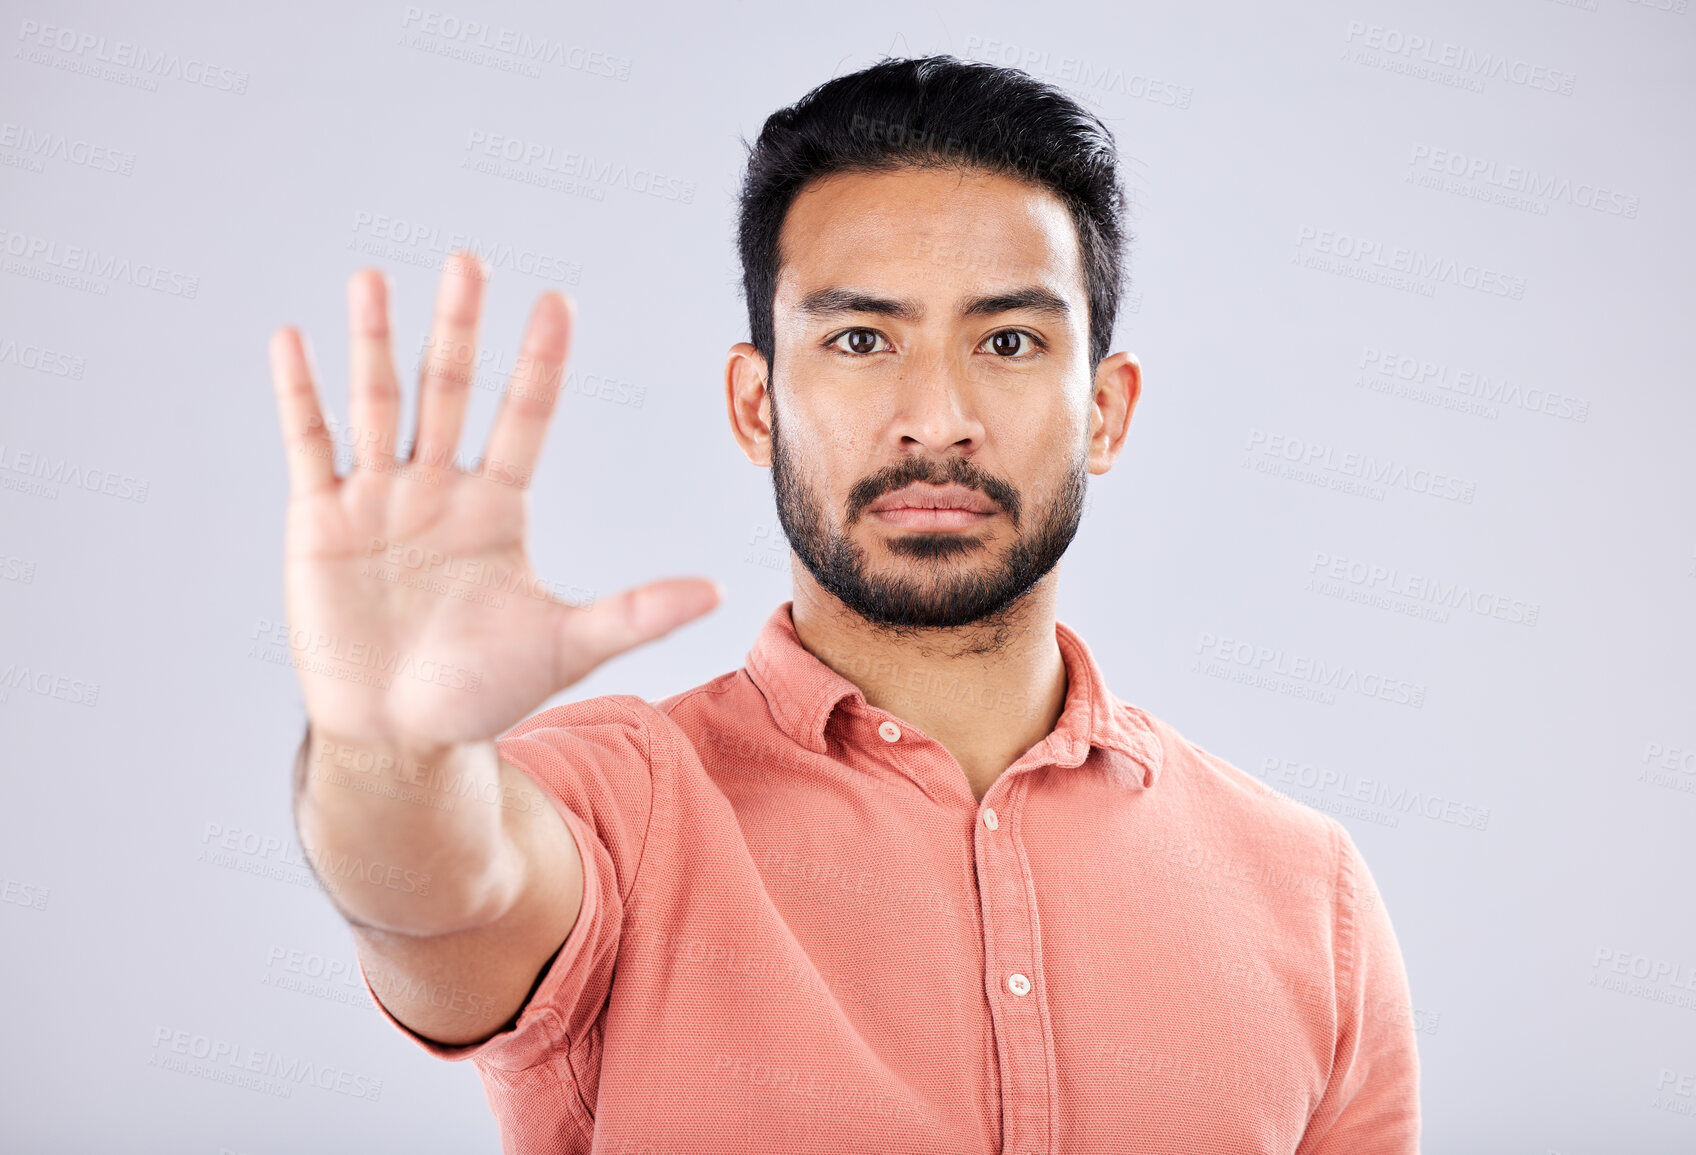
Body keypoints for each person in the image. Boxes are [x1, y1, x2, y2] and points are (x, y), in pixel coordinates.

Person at [268, 54, 1420, 1154]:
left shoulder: (1307, 893)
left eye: (1009, 340)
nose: (936, 416)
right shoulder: (625, 806)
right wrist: (390, 755)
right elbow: (437, 896)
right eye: (861, 339)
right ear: (757, 404)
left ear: (1105, 413)